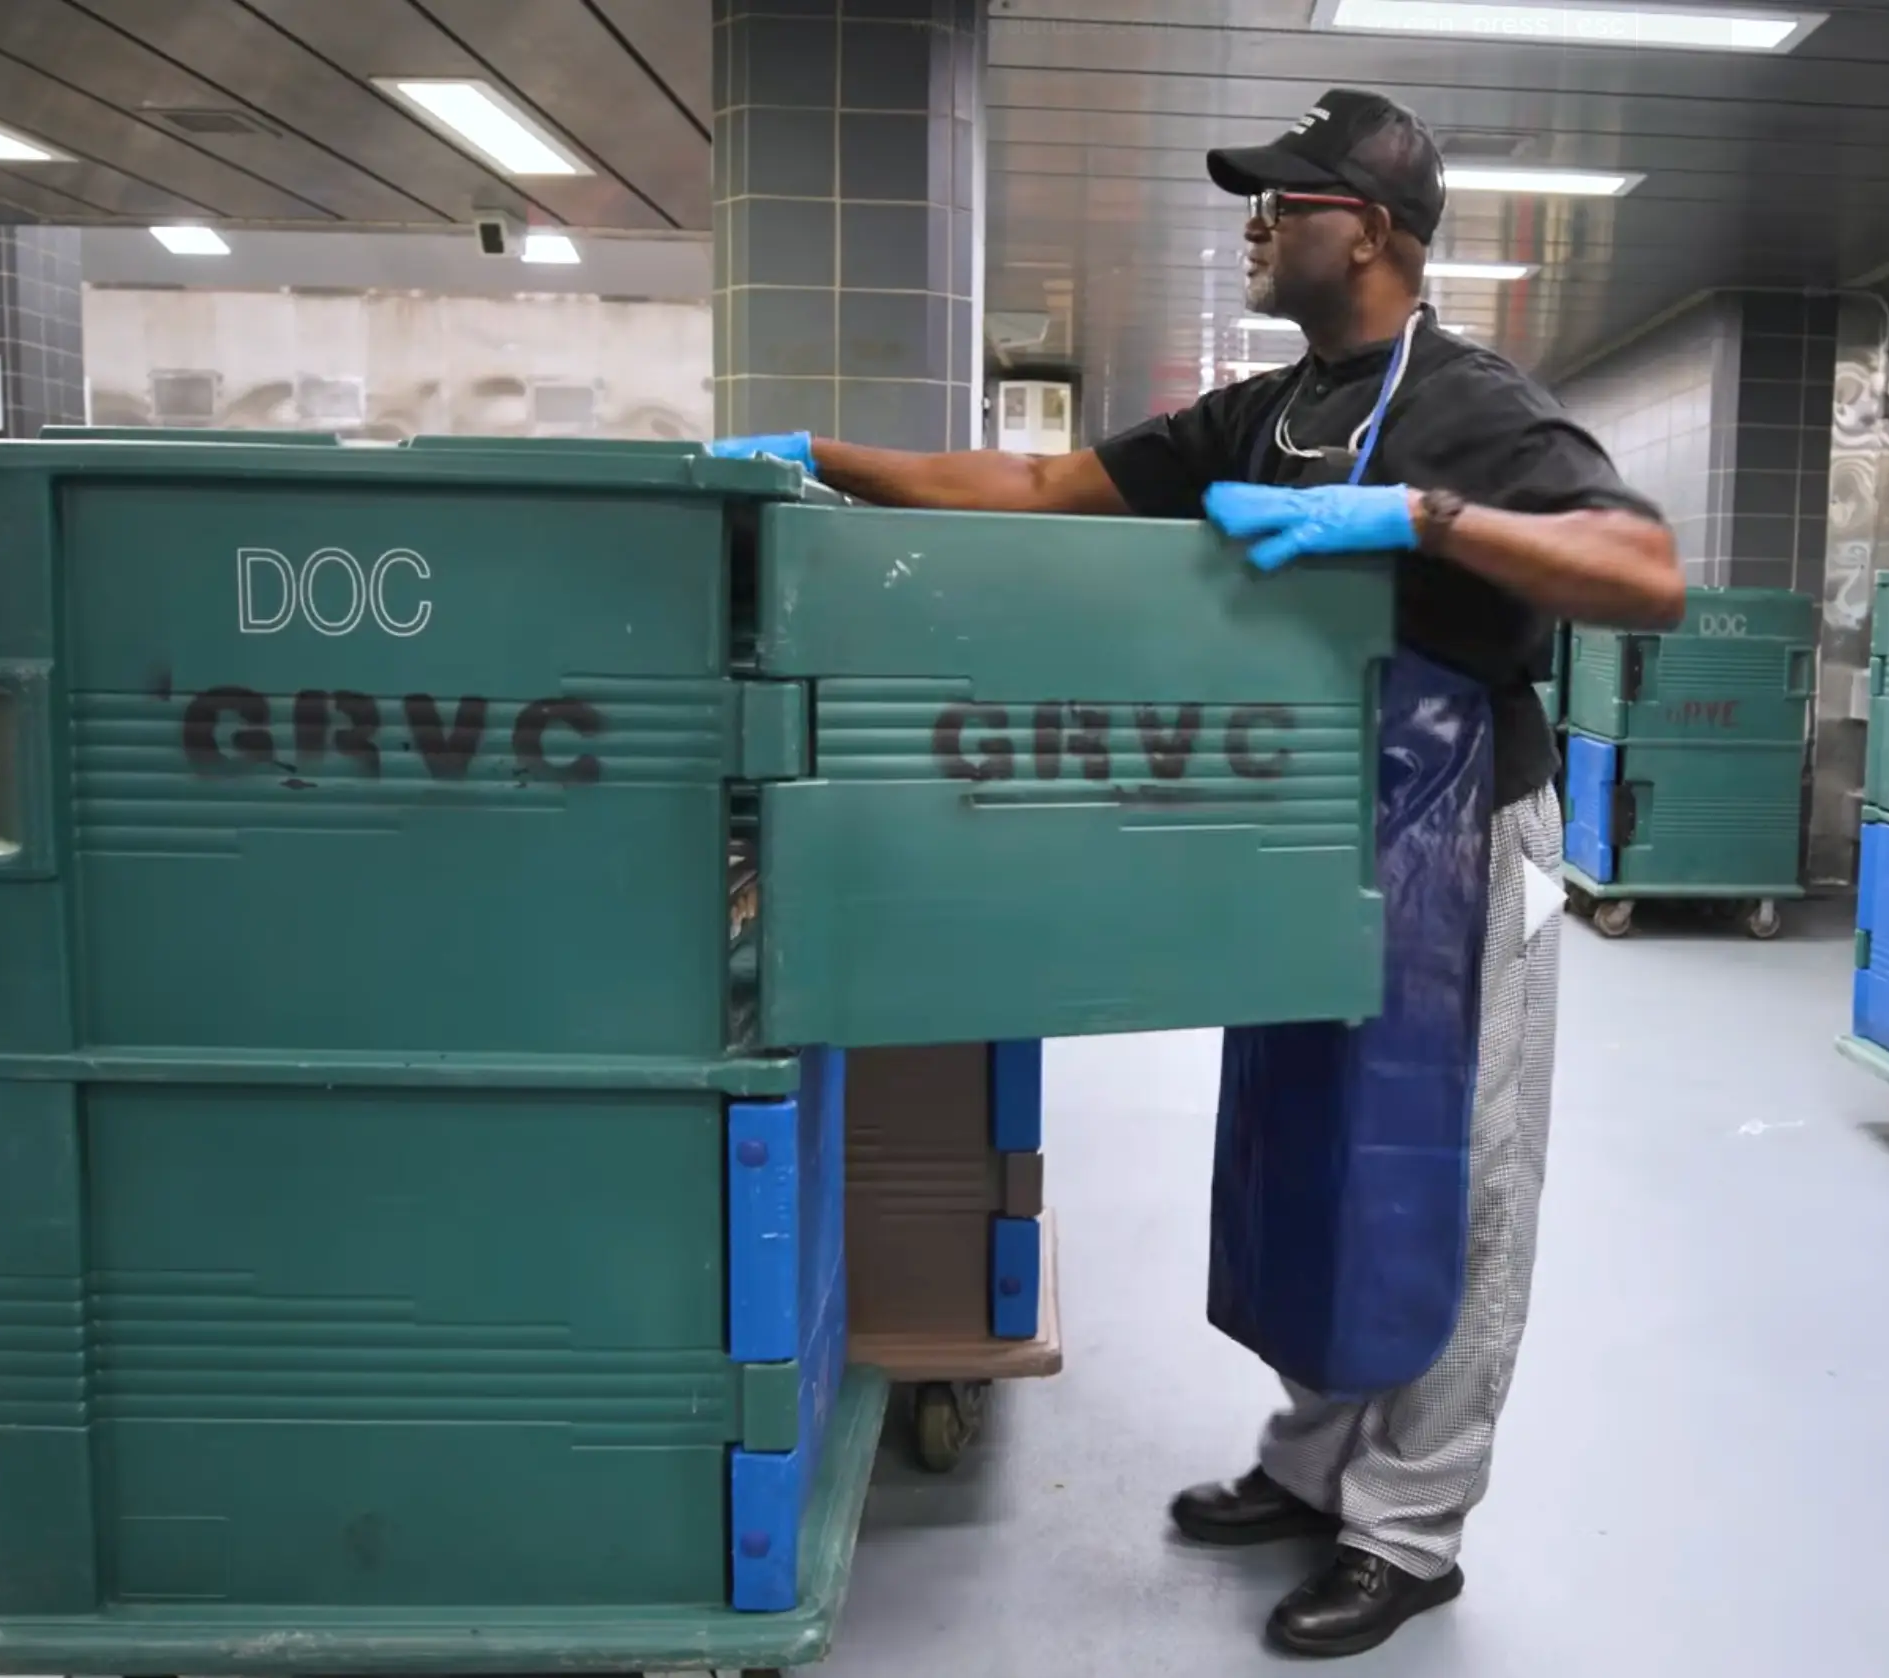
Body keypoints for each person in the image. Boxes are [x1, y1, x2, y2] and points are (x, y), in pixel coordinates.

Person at [714, 87, 1682, 1659]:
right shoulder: (1266, 410)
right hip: (1303, 834)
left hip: (1458, 838)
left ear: (1363, 230)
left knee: (1446, 1171)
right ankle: (1312, 1460)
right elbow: (1034, 493)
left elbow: (1647, 575)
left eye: (1280, 203)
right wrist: (817, 456)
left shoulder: (1477, 406)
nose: (1252, 224)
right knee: (1312, 1141)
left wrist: (1424, 515)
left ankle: (1412, 1526)